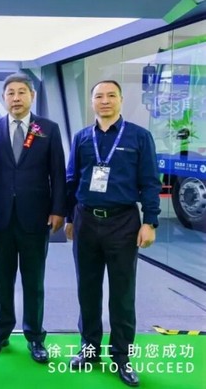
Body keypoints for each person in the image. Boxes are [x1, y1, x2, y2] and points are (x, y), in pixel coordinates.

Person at [65, 80, 160, 388]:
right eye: (99, 96)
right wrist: (69, 218)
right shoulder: (82, 137)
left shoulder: (139, 136)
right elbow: (72, 179)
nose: (104, 101)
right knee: (87, 289)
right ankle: (89, 348)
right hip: (86, 220)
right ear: (92, 102)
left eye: (111, 96)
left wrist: (150, 222)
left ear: (120, 100)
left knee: (122, 293)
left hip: (123, 223)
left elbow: (150, 181)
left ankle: (122, 356)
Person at [0, 73, 66, 363]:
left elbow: (58, 172)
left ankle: (35, 337)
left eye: (21, 92)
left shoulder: (48, 129)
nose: (16, 98)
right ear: (4, 98)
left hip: (36, 216)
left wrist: (58, 210)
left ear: (32, 96)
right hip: (1, 216)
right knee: (1, 278)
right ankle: (0, 332)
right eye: (10, 93)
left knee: (34, 280)